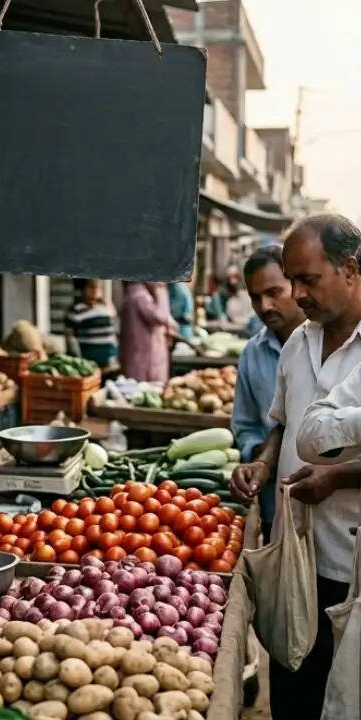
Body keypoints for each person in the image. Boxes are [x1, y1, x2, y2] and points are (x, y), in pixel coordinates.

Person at [228, 214, 361, 720]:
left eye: (309, 280)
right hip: (295, 556)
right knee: (293, 692)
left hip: (351, 565)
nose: (298, 294)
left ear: (349, 269)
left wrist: (339, 478)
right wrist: (261, 466)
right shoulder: (296, 344)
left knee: (346, 699)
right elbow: (280, 426)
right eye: (294, 280)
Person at [228, 245, 307, 539]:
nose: (264, 306)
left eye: (274, 292)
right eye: (255, 297)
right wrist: (257, 462)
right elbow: (245, 423)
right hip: (274, 505)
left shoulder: (326, 344)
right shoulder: (252, 352)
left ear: (296, 286)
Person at [119, 282, 177, 382]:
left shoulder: (139, 293)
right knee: (142, 391)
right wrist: (161, 290)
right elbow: (159, 316)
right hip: (140, 357)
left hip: (141, 355)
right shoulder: (139, 294)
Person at [64, 278, 118, 369]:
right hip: (87, 363)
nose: (96, 290)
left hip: (109, 361)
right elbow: (70, 339)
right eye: (92, 287)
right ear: (83, 289)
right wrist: (78, 362)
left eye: (99, 287)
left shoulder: (106, 307)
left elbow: (113, 332)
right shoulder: (75, 310)